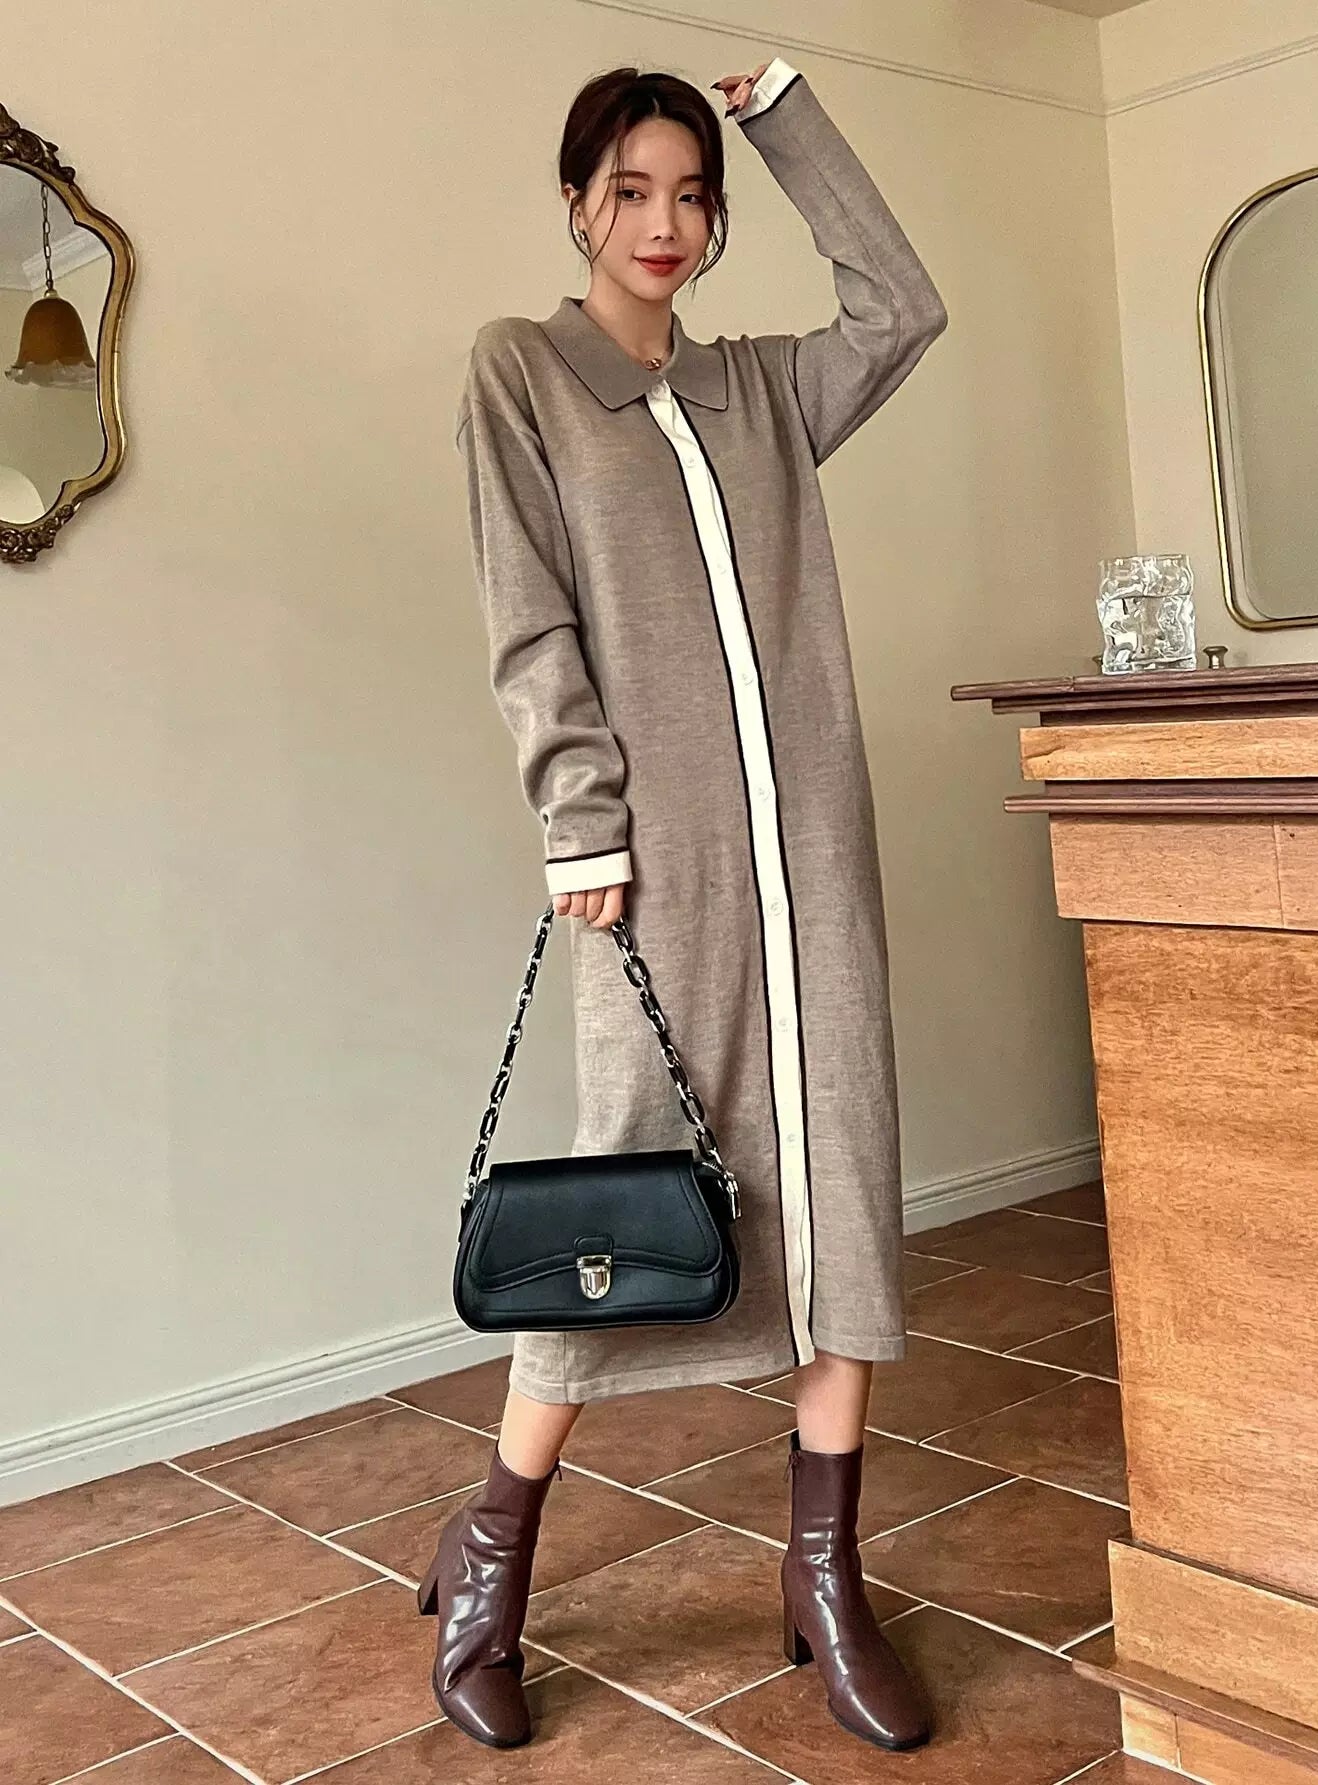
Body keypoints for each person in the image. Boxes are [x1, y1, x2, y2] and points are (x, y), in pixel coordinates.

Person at [422, 52, 948, 1755]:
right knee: (623, 1207)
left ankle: (825, 1573)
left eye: (691, 194)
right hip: (652, 869)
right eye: (631, 190)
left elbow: (904, 302)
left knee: (843, 1192)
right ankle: (492, 1555)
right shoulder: (524, 373)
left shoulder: (766, 389)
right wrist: (581, 816)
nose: (663, 222)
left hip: (817, 862)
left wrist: (785, 118)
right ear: (578, 202)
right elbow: (527, 614)